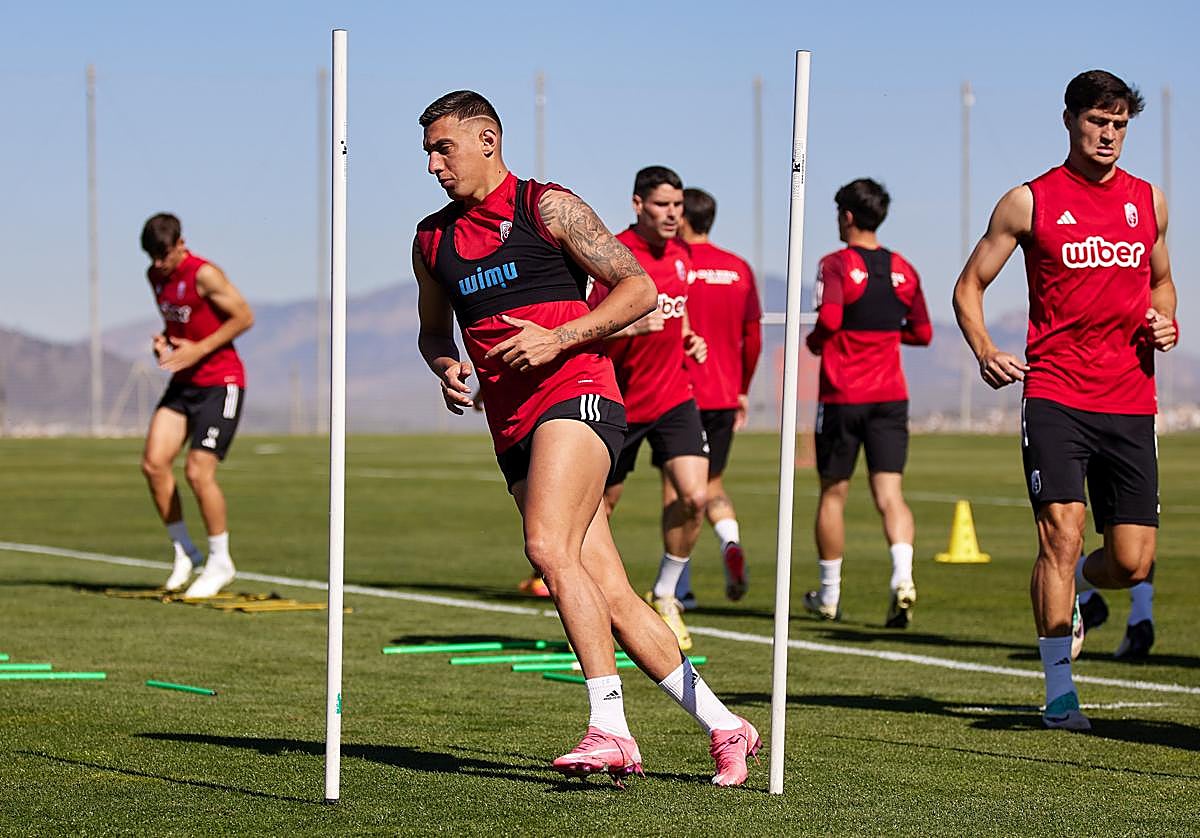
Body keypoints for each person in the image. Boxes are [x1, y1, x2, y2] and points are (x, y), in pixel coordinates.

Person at [411, 91, 759, 785]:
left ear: (487, 140)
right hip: (508, 425)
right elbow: (431, 329)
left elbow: (637, 291)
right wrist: (446, 365)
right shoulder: (431, 239)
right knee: (609, 589)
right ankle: (728, 726)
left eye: (442, 147)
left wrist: (558, 338)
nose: (431, 164)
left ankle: (611, 729)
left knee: (546, 547)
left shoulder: (545, 207)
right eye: (425, 151)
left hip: (579, 394)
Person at [952, 70, 1177, 729]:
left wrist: (1167, 322)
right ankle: (1059, 688)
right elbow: (969, 286)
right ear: (1070, 119)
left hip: (1132, 398)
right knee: (1062, 532)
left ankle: (1080, 586)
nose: (1109, 135)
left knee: (1134, 562)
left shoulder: (1149, 202)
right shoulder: (1030, 201)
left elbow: (1163, 285)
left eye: (1120, 125)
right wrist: (985, 350)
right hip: (1056, 394)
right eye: (1098, 122)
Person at [587, 166, 710, 651]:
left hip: (674, 396)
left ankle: (665, 593)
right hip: (617, 402)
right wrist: (629, 328)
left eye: (678, 206)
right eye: (662, 205)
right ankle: (596, 609)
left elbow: (679, 316)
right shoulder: (613, 255)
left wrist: (691, 338)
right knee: (597, 511)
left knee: (694, 498)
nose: (672, 214)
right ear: (638, 205)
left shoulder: (682, 254)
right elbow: (586, 325)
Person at [801, 179, 932, 628]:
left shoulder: (835, 264)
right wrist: (885, 332)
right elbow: (922, 332)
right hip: (891, 396)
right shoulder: (905, 269)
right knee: (890, 494)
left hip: (843, 396)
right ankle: (902, 578)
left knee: (834, 493)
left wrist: (815, 342)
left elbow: (831, 318)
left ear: (848, 216)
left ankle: (830, 595)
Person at [139, 213, 254, 598]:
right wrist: (167, 345)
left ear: (180, 244)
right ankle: (185, 552)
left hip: (221, 383)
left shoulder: (204, 274)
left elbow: (244, 317)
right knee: (154, 465)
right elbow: (181, 327)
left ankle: (220, 561)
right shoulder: (155, 276)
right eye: (151, 256)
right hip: (184, 383)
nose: (158, 263)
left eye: (164, 255)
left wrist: (198, 351)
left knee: (197, 472)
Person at [671, 187, 762, 608]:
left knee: (677, 490)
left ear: (684, 217)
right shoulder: (739, 268)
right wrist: (742, 388)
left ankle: (679, 586)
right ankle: (730, 540)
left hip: (678, 392)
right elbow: (753, 337)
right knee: (712, 484)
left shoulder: (674, 264)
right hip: (725, 393)